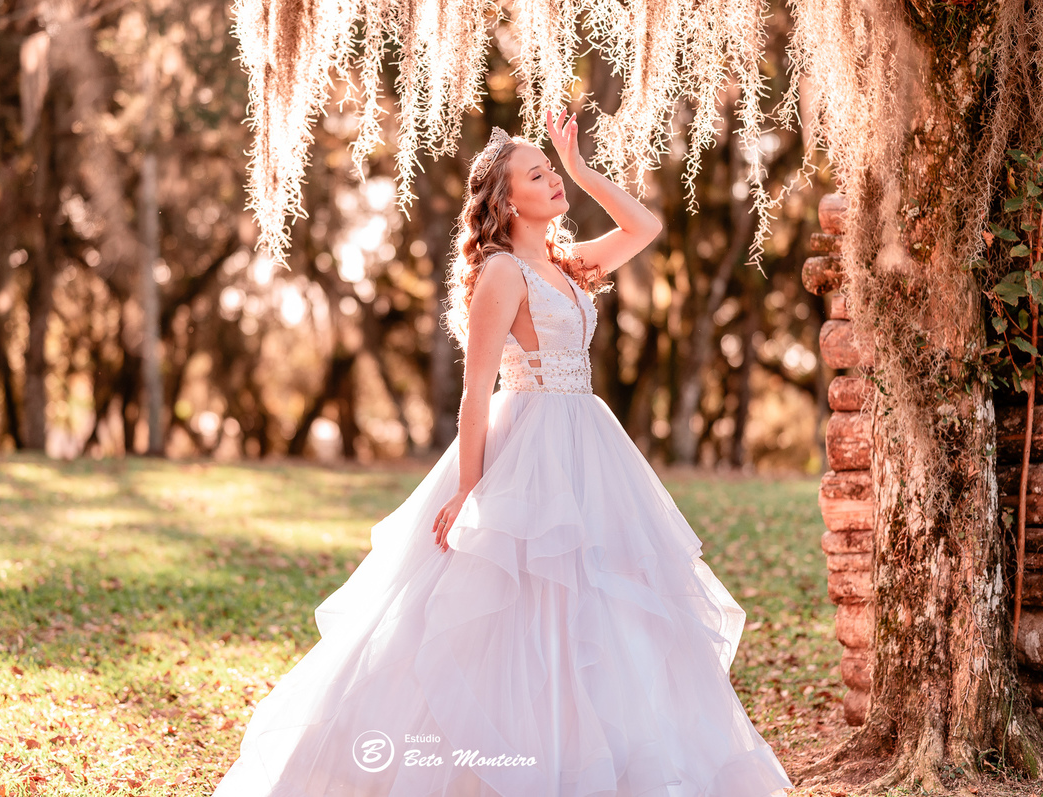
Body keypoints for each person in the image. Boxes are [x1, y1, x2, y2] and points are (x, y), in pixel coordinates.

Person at [212, 110, 794, 797]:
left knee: (598, 603)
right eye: (537, 175)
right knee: (515, 602)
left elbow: (646, 228)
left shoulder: (569, 264)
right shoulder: (502, 274)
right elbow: (473, 393)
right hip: (531, 446)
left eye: (550, 173)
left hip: (591, 447)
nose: (550, 183)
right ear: (505, 200)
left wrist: (581, 170)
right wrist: (467, 490)